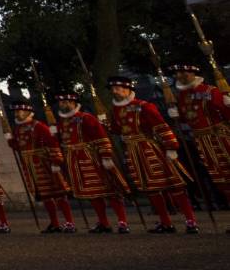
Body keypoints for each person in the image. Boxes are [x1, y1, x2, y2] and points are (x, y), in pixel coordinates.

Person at [107, 76, 198, 233]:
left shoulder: (144, 106)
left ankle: (190, 221)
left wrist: (171, 146)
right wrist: (107, 124)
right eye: (113, 89)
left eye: (118, 88)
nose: (115, 92)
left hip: (149, 148)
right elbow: (117, 129)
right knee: (151, 189)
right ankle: (165, 222)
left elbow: (161, 126)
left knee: (174, 184)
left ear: (128, 89)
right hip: (132, 151)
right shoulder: (115, 109)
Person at [168, 62, 230, 233]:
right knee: (220, 179)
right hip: (201, 140)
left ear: (193, 74)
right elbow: (188, 119)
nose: (179, 77)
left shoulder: (209, 91)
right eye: (177, 74)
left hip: (219, 137)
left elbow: (225, 114)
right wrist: (177, 117)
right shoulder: (180, 97)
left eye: (183, 73)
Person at [56, 92, 129, 234]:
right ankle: (103, 222)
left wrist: (106, 155)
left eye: (66, 102)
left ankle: (122, 221)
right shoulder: (62, 122)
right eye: (61, 103)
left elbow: (101, 136)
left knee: (110, 189)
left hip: (92, 157)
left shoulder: (85, 118)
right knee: (92, 193)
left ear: (73, 103)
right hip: (75, 160)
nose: (63, 105)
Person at [5, 101, 74, 233]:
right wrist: (10, 140)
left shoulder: (39, 126)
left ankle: (69, 222)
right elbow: (19, 147)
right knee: (45, 195)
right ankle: (54, 223)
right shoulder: (18, 129)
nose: (17, 114)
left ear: (27, 112)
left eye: (20, 111)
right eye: (16, 112)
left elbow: (52, 143)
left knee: (59, 193)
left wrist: (56, 161)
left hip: (45, 163)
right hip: (31, 165)